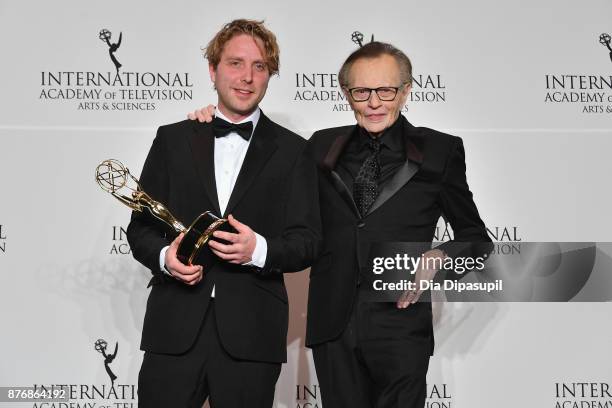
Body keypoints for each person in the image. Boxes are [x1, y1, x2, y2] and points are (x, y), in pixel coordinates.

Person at [190, 41, 491, 408]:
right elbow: (262, 161)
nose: (374, 102)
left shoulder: (440, 151)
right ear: (347, 94)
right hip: (332, 325)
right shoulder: (319, 146)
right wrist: (212, 122)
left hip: (400, 323)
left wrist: (441, 256)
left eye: (386, 90)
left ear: (406, 90)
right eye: (362, 91)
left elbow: (477, 238)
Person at [127, 19, 321, 408]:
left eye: (260, 66)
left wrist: (259, 250)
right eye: (235, 63)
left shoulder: (296, 151)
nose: (247, 77)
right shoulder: (172, 139)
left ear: (270, 76)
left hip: (253, 332)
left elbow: (308, 241)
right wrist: (167, 259)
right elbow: (140, 228)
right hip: (174, 328)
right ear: (213, 70)